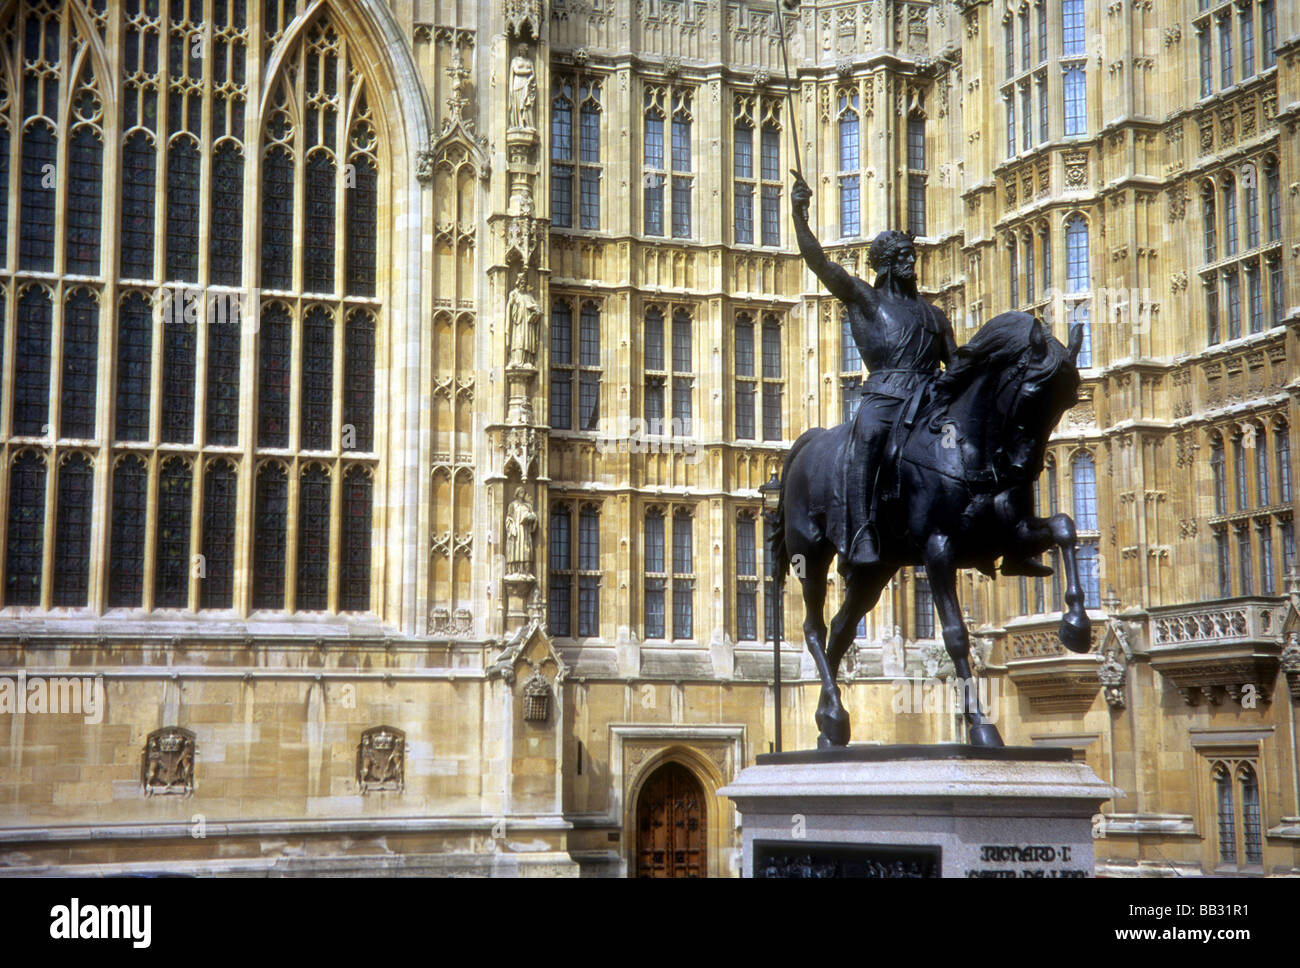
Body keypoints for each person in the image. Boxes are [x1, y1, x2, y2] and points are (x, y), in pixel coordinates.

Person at [790, 172, 1049, 577]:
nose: (913, 262)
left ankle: (1010, 535)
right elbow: (821, 264)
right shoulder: (866, 299)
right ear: (888, 265)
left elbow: (955, 363)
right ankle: (862, 536)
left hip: (929, 401)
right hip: (886, 398)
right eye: (904, 257)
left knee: (994, 442)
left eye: (912, 255)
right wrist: (799, 215)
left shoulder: (933, 315)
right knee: (869, 438)